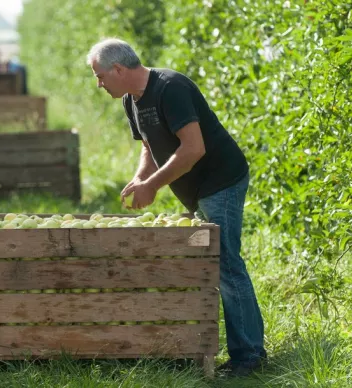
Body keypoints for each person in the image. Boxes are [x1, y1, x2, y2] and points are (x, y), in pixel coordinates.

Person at [86, 38, 267, 377]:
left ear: (119, 69)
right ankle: (239, 349)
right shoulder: (131, 99)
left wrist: (153, 186)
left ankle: (249, 358)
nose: (99, 84)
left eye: (100, 76)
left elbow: (194, 148)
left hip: (221, 180)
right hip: (197, 190)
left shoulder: (171, 88)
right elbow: (148, 145)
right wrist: (141, 178)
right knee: (218, 263)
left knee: (225, 264)